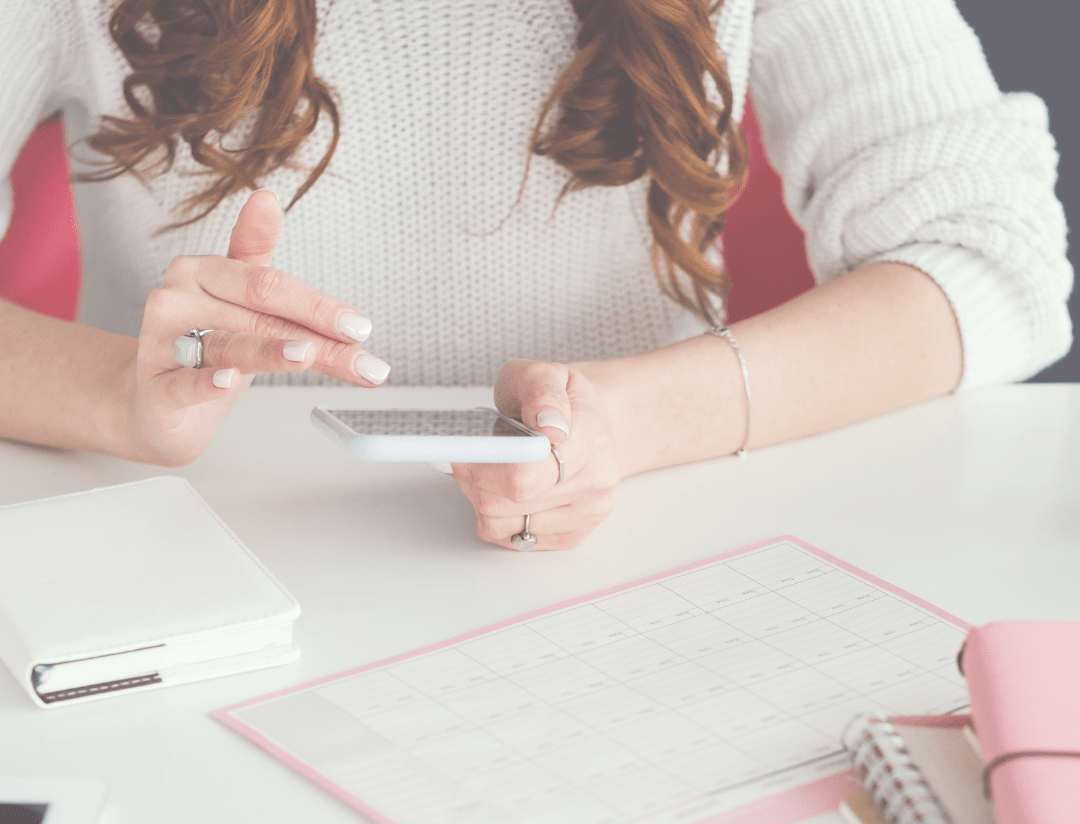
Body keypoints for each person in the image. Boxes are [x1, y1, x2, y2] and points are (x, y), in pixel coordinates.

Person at [0, 0, 1071, 550]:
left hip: (625, 555)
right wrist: (114, 395)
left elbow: (993, 254)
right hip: (180, 561)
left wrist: (629, 421)